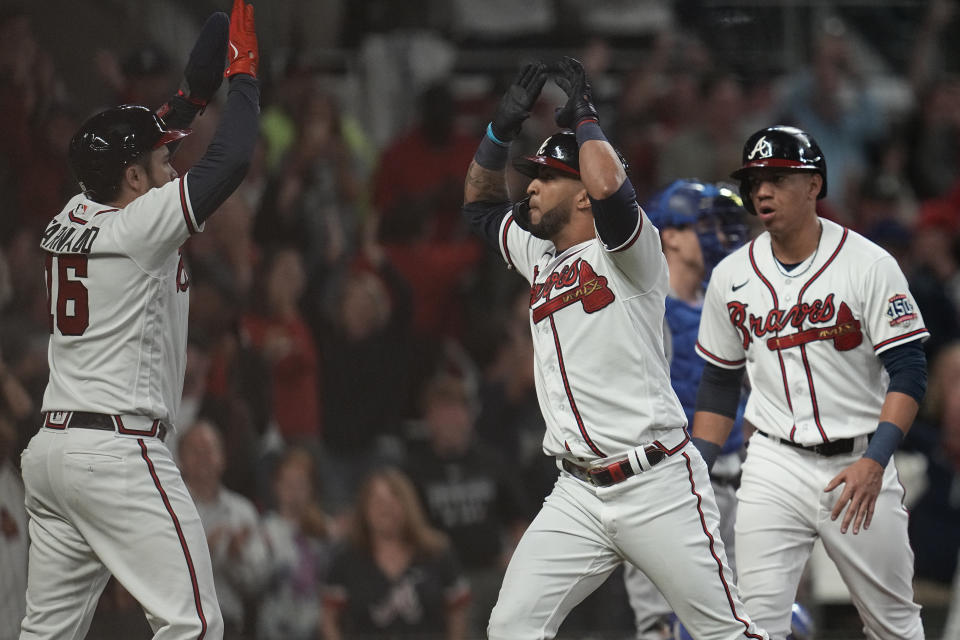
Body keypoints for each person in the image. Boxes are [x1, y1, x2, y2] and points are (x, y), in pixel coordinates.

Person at [462, 56, 767, 640]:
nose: (530, 186)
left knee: (725, 633)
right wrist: (500, 131)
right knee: (511, 627)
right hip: (577, 490)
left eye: (547, 177)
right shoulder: (539, 257)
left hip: (656, 483)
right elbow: (478, 204)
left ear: (581, 195)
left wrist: (586, 122)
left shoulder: (631, 253)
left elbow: (611, 189)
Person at [18, 2, 260, 638]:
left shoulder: (73, 211)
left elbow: (156, 134)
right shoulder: (139, 229)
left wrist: (193, 89)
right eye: (159, 165)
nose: (171, 167)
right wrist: (246, 78)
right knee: (196, 626)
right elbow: (230, 161)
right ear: (130, 176)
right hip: (119, 449)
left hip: (53, 451)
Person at [692, 125, 928, 639]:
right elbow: (718, 385)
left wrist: (876, 459)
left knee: (893, 626)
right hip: (772, 462)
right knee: (752, 624)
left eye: (776, 178)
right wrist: (694, 469)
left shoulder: (869, 264)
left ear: (814, 185)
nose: (761, 192)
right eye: (755, 181)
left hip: (859, 461)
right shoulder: (732, 275)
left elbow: (909, 371)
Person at [620, 179, 750, 639]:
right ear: (669, 234)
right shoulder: (644, 307)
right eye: (705, 225)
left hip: (736, 486)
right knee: (663, 628)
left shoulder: (728, 295)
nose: (719, 235)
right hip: (671, 489)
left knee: (739, 622)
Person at [403, 372, 528, 637]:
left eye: (455, 410)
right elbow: (407, 528)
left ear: (469, 415)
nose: (450, 419)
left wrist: (519, 562)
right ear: (428, 420)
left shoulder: (491, 461)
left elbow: (518, 520)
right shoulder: (414, 469)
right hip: (439, 576)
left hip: (492, 570)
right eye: (441, 412)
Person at [320, 467, 471, 640]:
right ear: (364, 509)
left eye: (393, 501)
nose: (385, 510)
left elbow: (458, 617)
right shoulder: (345, 558)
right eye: (377, 502)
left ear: (408, 505)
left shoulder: (438, 553)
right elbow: (328, 620)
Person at [178, 420, 269, 639]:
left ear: (223, 458)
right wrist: (204, 551)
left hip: (229, 626)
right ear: (180, 459)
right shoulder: (170, 508)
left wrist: (236, 558)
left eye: (209, 450)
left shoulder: (243, 512)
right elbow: (156, 573)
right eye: (195, 451)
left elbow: (259, 584)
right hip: (180, 621)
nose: (203, 458)